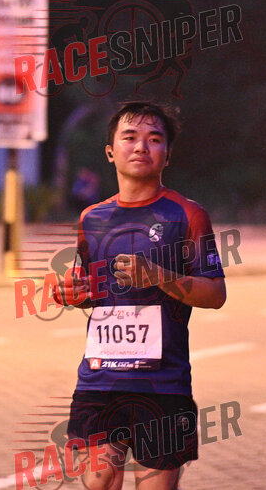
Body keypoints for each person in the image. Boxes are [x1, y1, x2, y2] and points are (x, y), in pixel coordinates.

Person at [53, 101, 226, 490]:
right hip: (100, 379)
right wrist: (71, 294)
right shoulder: (91, 219)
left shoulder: (188, 215)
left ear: (168, 154)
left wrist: (159, 276)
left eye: (154, 139)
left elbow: (216, 293)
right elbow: (92, 291)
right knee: (98, 480)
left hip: (163, 384)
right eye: (129, 137)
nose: (141, 146)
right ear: (110, 151)